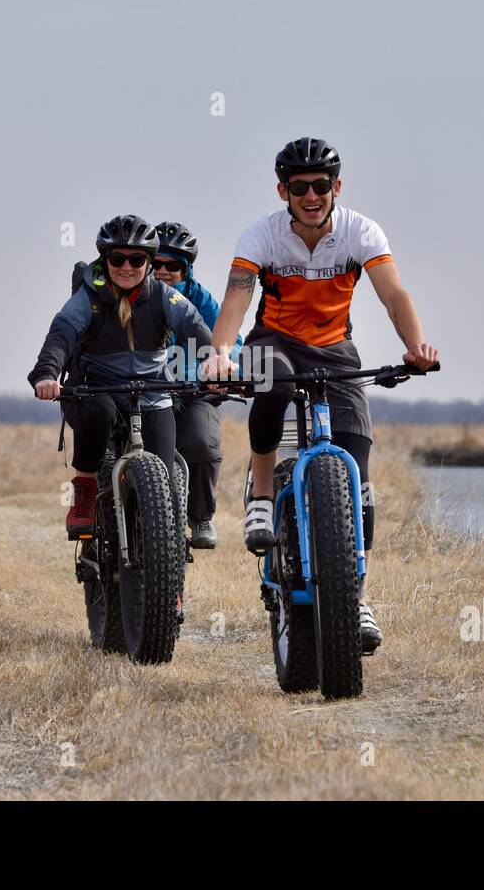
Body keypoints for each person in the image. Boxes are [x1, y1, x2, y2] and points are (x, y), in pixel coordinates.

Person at [199, 139, 440, 654]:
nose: (312, 196)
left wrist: (414, 346)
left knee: (360, 474)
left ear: (338, 186)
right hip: (276, 342)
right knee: (273, 381)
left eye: (322, 185)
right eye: (300, 187)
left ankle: (356, 598)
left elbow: (393, 295)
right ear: (283, 190)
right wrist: (220, 351)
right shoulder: (262, 235)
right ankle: (262, 498)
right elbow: (238, 297)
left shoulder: (360, 231)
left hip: (335, 349)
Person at [27, 214, 213, 541]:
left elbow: (195, 326)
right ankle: (83, 491)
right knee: (99, 412)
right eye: (117, 258)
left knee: (165, 478)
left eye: (137, 259)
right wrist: (47, 374)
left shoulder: (163, 296)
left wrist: (213, 360)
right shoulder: (87, 298)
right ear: (105, 259)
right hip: (99, 387)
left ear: (149, 262)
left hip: (153, 392)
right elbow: (61, 335)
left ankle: (167, 559)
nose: (126, 267)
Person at [151, 221, 241, 549]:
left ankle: (200, 515)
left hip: (193, 389)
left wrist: (227, 369)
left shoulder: (201, 299)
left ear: (185, 269)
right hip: (143, 390)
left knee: (203, 444)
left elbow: (230, 340)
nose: (162, 271)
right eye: (155, 263)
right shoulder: (131, 295)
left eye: (172, 266)